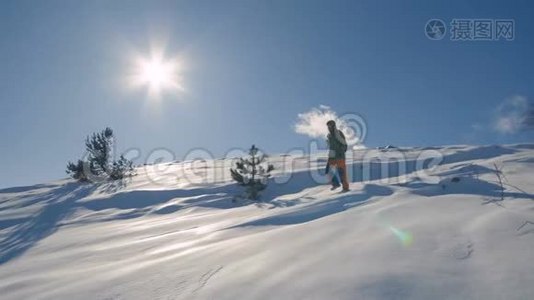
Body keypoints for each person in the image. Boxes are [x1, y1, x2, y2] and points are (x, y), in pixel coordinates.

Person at [326, 120, 350, 192]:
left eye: (330, 125)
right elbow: (331, 146)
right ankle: (335, 183)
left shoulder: (338, 133)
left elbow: (344, 144)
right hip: (332, 156)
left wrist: (341, 152)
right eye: (328, 126)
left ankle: (345, 188)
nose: (329, 127)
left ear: (333, 125)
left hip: (340, 156)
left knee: (341, 172)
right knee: (328, 170)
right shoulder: (329, 136)